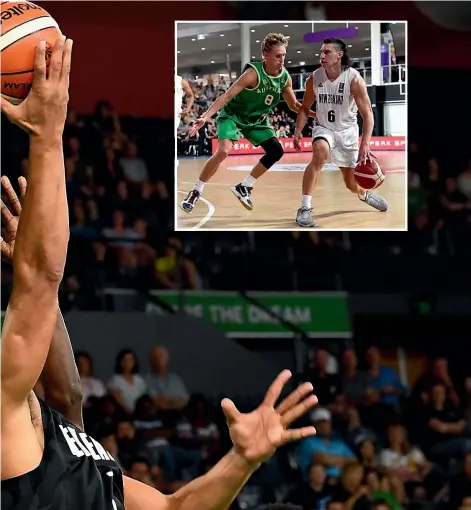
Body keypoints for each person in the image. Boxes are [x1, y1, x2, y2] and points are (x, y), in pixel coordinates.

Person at [1, 132, 319, 510]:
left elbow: (172, 507)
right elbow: (40, 288)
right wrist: (49, 132)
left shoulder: (69, 443)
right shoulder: (16, 440)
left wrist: (243, 459)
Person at [180, 32, 315, 214]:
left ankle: (244, 186)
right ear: (265, 54)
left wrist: (314, 113)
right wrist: (205, 117)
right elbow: (227, 96)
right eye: (278, 56)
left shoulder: (284, 78)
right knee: (223, 152)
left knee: (276, 151)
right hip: (233, 115)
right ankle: (196, 191)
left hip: (256, 120)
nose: (282, 59)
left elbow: (293, 105)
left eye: (284, 55)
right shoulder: (252, 74)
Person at [294, 37, 388, 227]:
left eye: (326, 52)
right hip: (324, 128)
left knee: (351, 184)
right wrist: (298, 130)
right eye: (321, 52)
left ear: (339, 55)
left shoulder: (354, 79)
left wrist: (365, 144)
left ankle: (364, 194)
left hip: (347, 132)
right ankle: (304, 208)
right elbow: (304, 107)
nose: (322, 55)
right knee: (319, 154)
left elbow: (368, 114)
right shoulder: (314, 78)